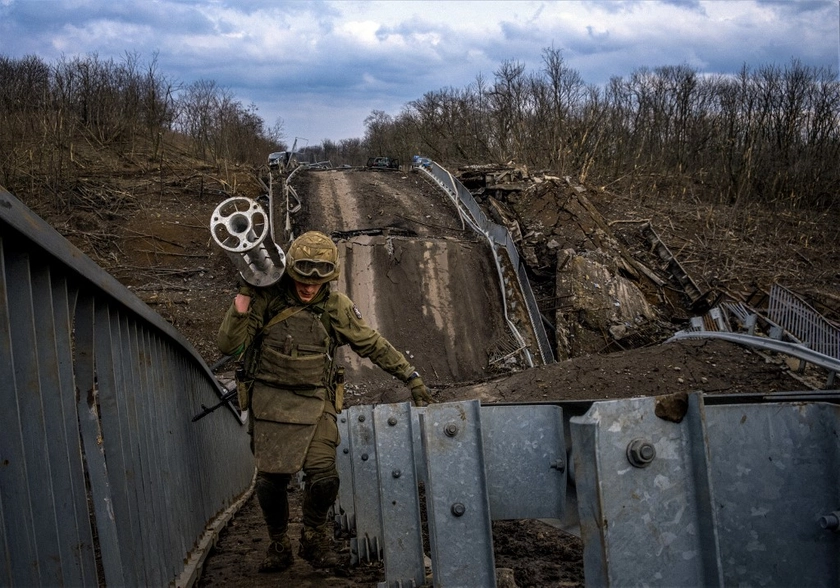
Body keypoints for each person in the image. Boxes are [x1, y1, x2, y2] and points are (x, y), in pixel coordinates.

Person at [217, 230, 434, 573]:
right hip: (270, 403)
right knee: (270, 481)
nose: (308, 286)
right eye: (302, 277)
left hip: (317, 402)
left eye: (317, 279)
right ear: (289, 271)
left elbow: (373, 344)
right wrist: (246, 293)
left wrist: (410, 376)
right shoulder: (267, 299)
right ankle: (278, 544)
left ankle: (314, 537)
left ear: (330, 277)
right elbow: (229, 346)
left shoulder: (335, 308)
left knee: (323, 476)